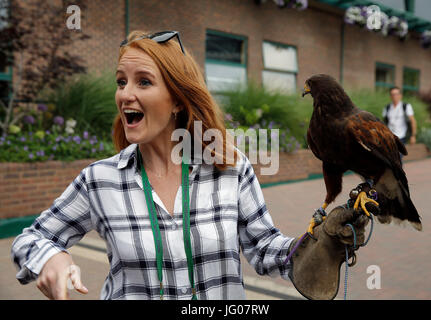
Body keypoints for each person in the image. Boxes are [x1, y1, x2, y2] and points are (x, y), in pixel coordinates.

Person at [10, 30, 369, 300]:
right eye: (121, 82)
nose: (125, 94)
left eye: (143, 81)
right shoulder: (99, 180)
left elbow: (263, 249)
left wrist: (314, 246)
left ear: (178, 101)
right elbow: (33, 237)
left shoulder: (231, 169)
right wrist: (50, 257)